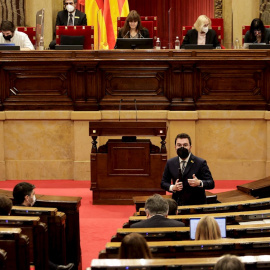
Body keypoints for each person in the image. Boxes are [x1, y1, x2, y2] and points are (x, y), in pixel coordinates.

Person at [13, 182, 74, 270]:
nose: (35, 196)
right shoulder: (33, 217)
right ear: (27, 198)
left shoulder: (10, 211)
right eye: (33, 194)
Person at [161, 133, 214, 206]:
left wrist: (199, 183)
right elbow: (163, 183)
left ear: (190, 147)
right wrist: (173, 187)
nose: (182, 147)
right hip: (177, 204)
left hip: (197, 205)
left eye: (185, 145)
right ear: (175, 147)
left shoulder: (200, 162)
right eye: (179, 145)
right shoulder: (170, 163)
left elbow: (211, 183)